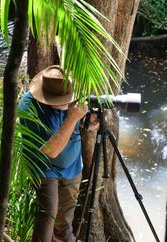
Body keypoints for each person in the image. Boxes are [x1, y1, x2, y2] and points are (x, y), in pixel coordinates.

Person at [18, 65, 98, 242]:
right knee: (48, 214)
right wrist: (72, 117)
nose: (66, 102)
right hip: (44, 167)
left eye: (67, 98)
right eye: (59, 100)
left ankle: (65, 239)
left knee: (66, 216)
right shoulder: (28, 108)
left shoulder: (72, 97)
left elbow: (81, 125)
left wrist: (88, 122)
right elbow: (50, 151)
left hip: (71, 164)